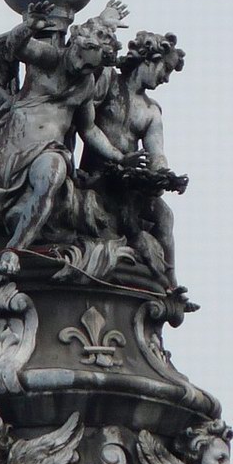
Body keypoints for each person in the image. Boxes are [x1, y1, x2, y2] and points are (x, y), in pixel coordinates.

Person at [0, 1, 136, 252]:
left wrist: (121, 157)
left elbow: (89, 129)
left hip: (50, 150)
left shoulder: (86, 84)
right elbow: (17, 47)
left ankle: (14, 251)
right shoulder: (49, 58)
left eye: (90, 66)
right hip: (10, 147)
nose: (81, 67)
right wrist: (28, 27)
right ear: (75, 43)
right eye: (80, 58)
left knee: (50, 178)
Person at [80, 31, 186, 287]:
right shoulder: (107, 83)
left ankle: (171, 284)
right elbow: (86, 126)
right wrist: (120, 158)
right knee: (130, 223)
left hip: (130, 179)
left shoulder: (151, 111)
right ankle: (157, 277)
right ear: (150, 59)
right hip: (98, 176)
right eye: (166, 69)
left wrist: (164, 176)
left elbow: (156, 154)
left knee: (164, 216)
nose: (166, 79)